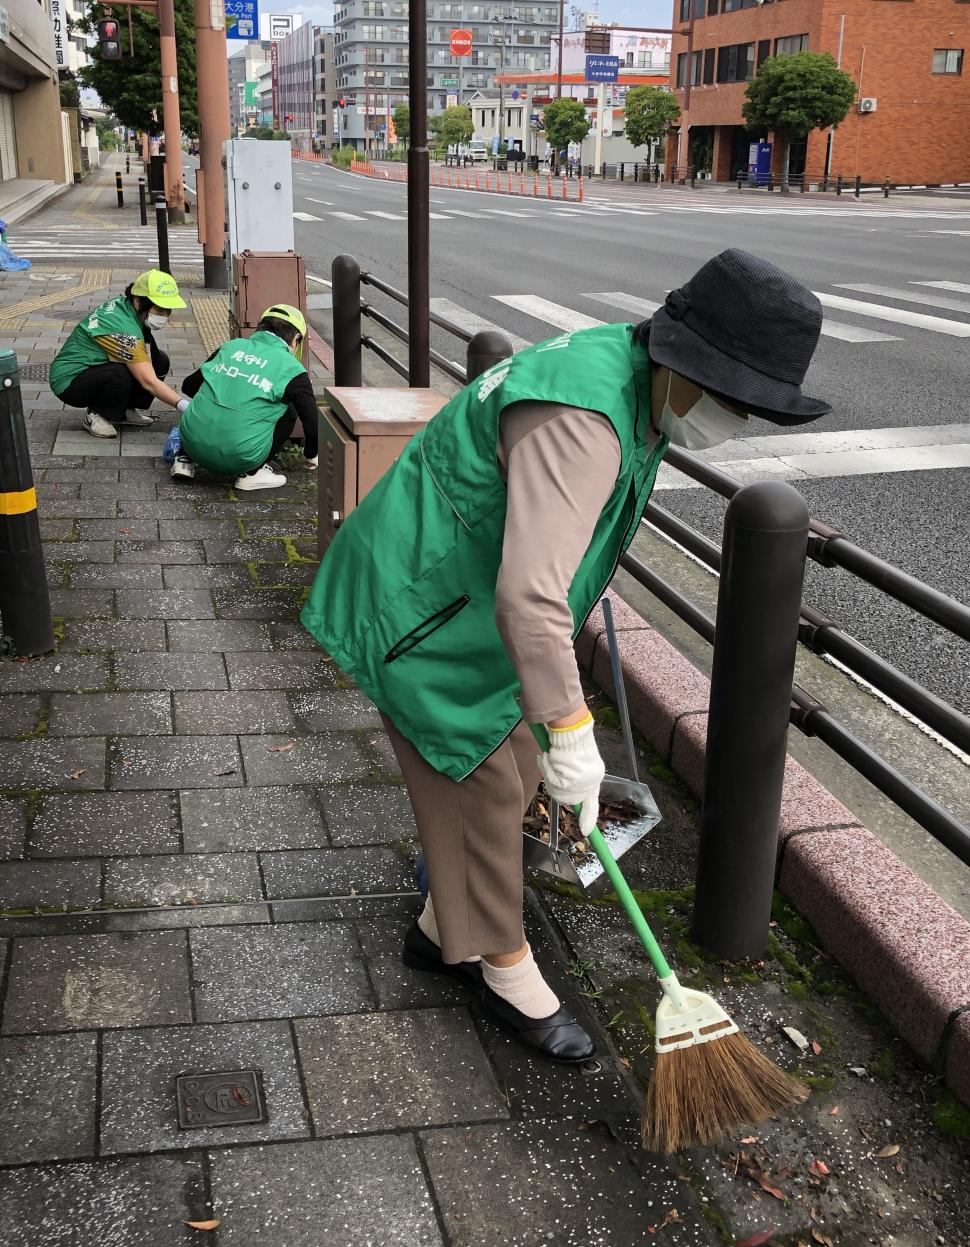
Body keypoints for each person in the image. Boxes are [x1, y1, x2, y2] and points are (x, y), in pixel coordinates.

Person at [300, 248, 831, 1065]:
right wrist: (572, 726)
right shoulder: (584, 420)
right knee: (478, 783)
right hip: (422, 614)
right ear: (687, 364)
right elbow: (530, 599)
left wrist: (555, 727)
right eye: (734, 400)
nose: (739, 421)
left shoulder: (624, 375)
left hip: (452, 594)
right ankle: (504, 969)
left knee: (514, 778)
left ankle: (440, 927)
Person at [171, 303, 318, 491]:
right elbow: (312, 424)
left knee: (208, 391)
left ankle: (184, 460)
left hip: (191, 442)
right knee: (289, 409)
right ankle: (252, 474)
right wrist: (311, 455)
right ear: (297, 338)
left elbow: (189, 386)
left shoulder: (231, 347)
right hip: (241, 456)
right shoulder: (293, 370)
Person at [49, 269, 190, 439]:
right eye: (159, 309)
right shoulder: (122, 329)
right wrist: (186, 407)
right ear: (138, 301)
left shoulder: (125, 305)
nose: (165, 316)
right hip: (69, 381)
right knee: (120, 373)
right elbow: (149, 382)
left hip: (94, 368)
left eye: (168, 310)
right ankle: (97, 415)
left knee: (159, 360)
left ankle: (124, 411)